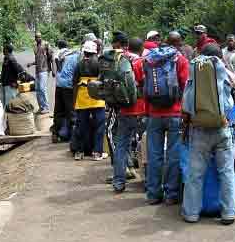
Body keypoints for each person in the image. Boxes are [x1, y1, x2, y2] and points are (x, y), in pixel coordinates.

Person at [181, 44, 235, 225]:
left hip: (198, 130)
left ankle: (191, 213)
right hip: (223, 128)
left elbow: (186, 105)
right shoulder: (229, 75)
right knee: (227, 171)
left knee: (195, 174)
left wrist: (186, 126)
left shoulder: (194, 74)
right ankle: (229, 212)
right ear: (220, 57)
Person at [144, 33, 189, 205]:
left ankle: (153, 194)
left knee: (154, 155)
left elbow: (145, 87)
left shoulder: (149, 59)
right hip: (175, 114)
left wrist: (147, 111)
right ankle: (171, 194)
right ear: (177, 44)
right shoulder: (180, 60)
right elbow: (186, 88)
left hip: (154, 114)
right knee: (173, 154)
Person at [111, 33, 146, 193]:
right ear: (141, 49)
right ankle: (147, 180)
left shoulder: (119, 61)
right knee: (146, 144)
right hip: (140, 110)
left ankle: (119, 181)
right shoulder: (139, 62)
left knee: (121, 145)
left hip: (123, 109)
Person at [73, 40, 107, 161]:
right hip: (97, 98)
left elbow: (74, 82)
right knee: (100, 125)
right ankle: (97, 152)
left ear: (85, 52)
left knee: (82, 125)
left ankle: (79, 151)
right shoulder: (99, 63)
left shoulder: (79, 64)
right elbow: (103, 79)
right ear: (94, 51)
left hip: (82, 98)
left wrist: (74, 101)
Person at [52, 41, 79, 143]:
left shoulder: (59, 54)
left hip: (59, 84)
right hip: (68, 86)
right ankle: (72, 137)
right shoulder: (77, 56)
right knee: (71, 111)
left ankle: (57, 134)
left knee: (59, 110)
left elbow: (56, 69)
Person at [28, 31, 54, 114]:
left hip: (44, 70)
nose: (38, 38)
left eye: (39, 37)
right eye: (36, 37)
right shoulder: (35, 46)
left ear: (41, 37)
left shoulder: (46, 44)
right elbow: (38, 59)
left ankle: (46, 107)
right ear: (35, 38)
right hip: (37, 70)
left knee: (43, 88)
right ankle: (41, 107)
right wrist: (31, 63)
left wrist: (53, 69)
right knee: (37, 89)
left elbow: (51, 57)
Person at [0, 43, 25, 111]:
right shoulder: (6, 58)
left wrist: (16, 82)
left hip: (10, 85)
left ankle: (10, 120)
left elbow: (20, 71)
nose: (3, 50)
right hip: (5, 84)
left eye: (4, 48)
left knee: (9, 105)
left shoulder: (12, 59)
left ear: (7, 50)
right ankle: (6, 119)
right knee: (5, 104)